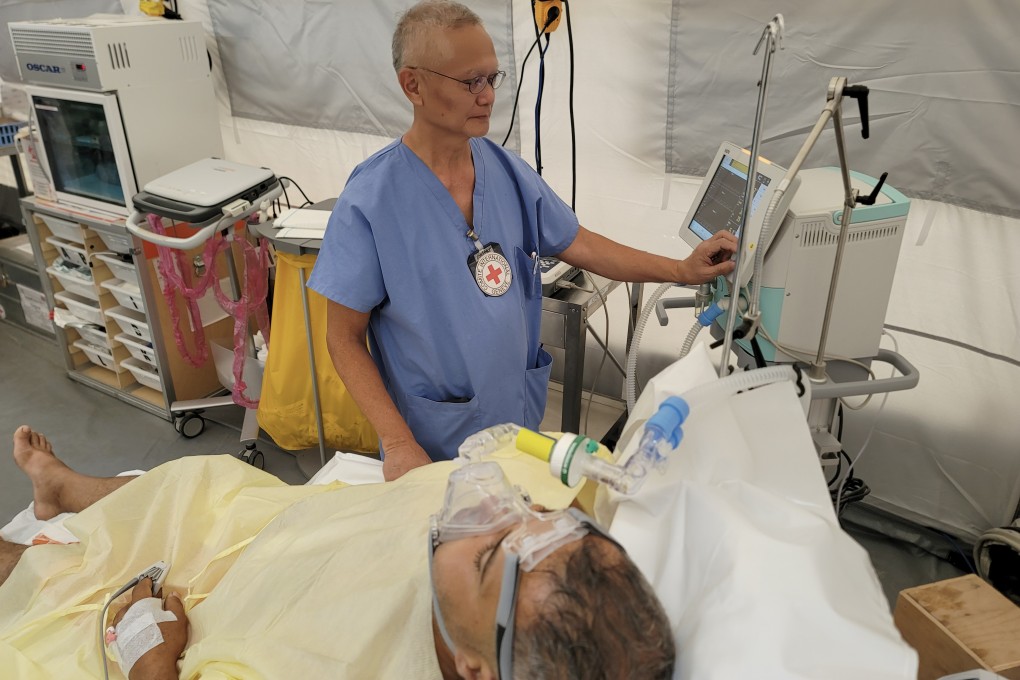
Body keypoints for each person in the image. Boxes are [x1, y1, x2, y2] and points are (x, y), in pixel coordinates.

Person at [308, 0, 739, 480]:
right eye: (471, 81)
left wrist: (681, 270)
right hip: (431, 442)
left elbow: (582, 244)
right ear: (414, 85)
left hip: (517, 426)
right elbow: (342, 337)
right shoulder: (371, 200)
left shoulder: (504, 170)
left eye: (492, 79)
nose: (487, 96)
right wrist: (398, 441)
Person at [0, 426, 675, 679]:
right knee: (197, 484)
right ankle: (65, 490)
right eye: (536, 515)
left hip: (231, 612)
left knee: (59, 593)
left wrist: (152, 660)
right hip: (305, 531)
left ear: (474, 670)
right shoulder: (561, 539)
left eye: (489, 552)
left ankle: (30, 542)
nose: (492, 506)